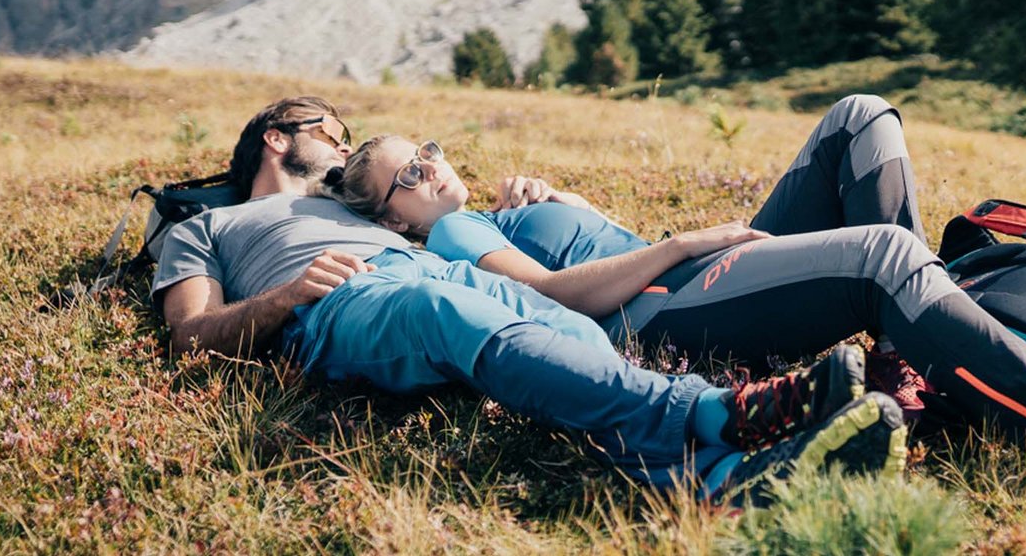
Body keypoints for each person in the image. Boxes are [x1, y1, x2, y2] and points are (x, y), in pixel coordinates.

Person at [323, 95, 1026, 509]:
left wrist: (573, 206)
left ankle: (920, 351)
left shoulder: (500, 209)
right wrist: (683, 238)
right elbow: (551, 303)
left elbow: (574, 249)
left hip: (689, 281)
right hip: (657, 318)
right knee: (881, 254)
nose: (434, 168)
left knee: (858, 121)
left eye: (434, 150)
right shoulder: (448, 237)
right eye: (409, 172)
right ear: (390, 213)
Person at [150, 96, 908, 507]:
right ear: (280, 138)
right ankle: (710, 414)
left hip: (437, 276)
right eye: (332, 135)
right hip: (347, 297)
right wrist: (284, 297)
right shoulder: (209, 226)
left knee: (561, 333)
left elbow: (465, 229)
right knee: (439, 315)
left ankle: (714, 479)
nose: (345, 151)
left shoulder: (368, 208)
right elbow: (189, 336)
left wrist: (543, 202)